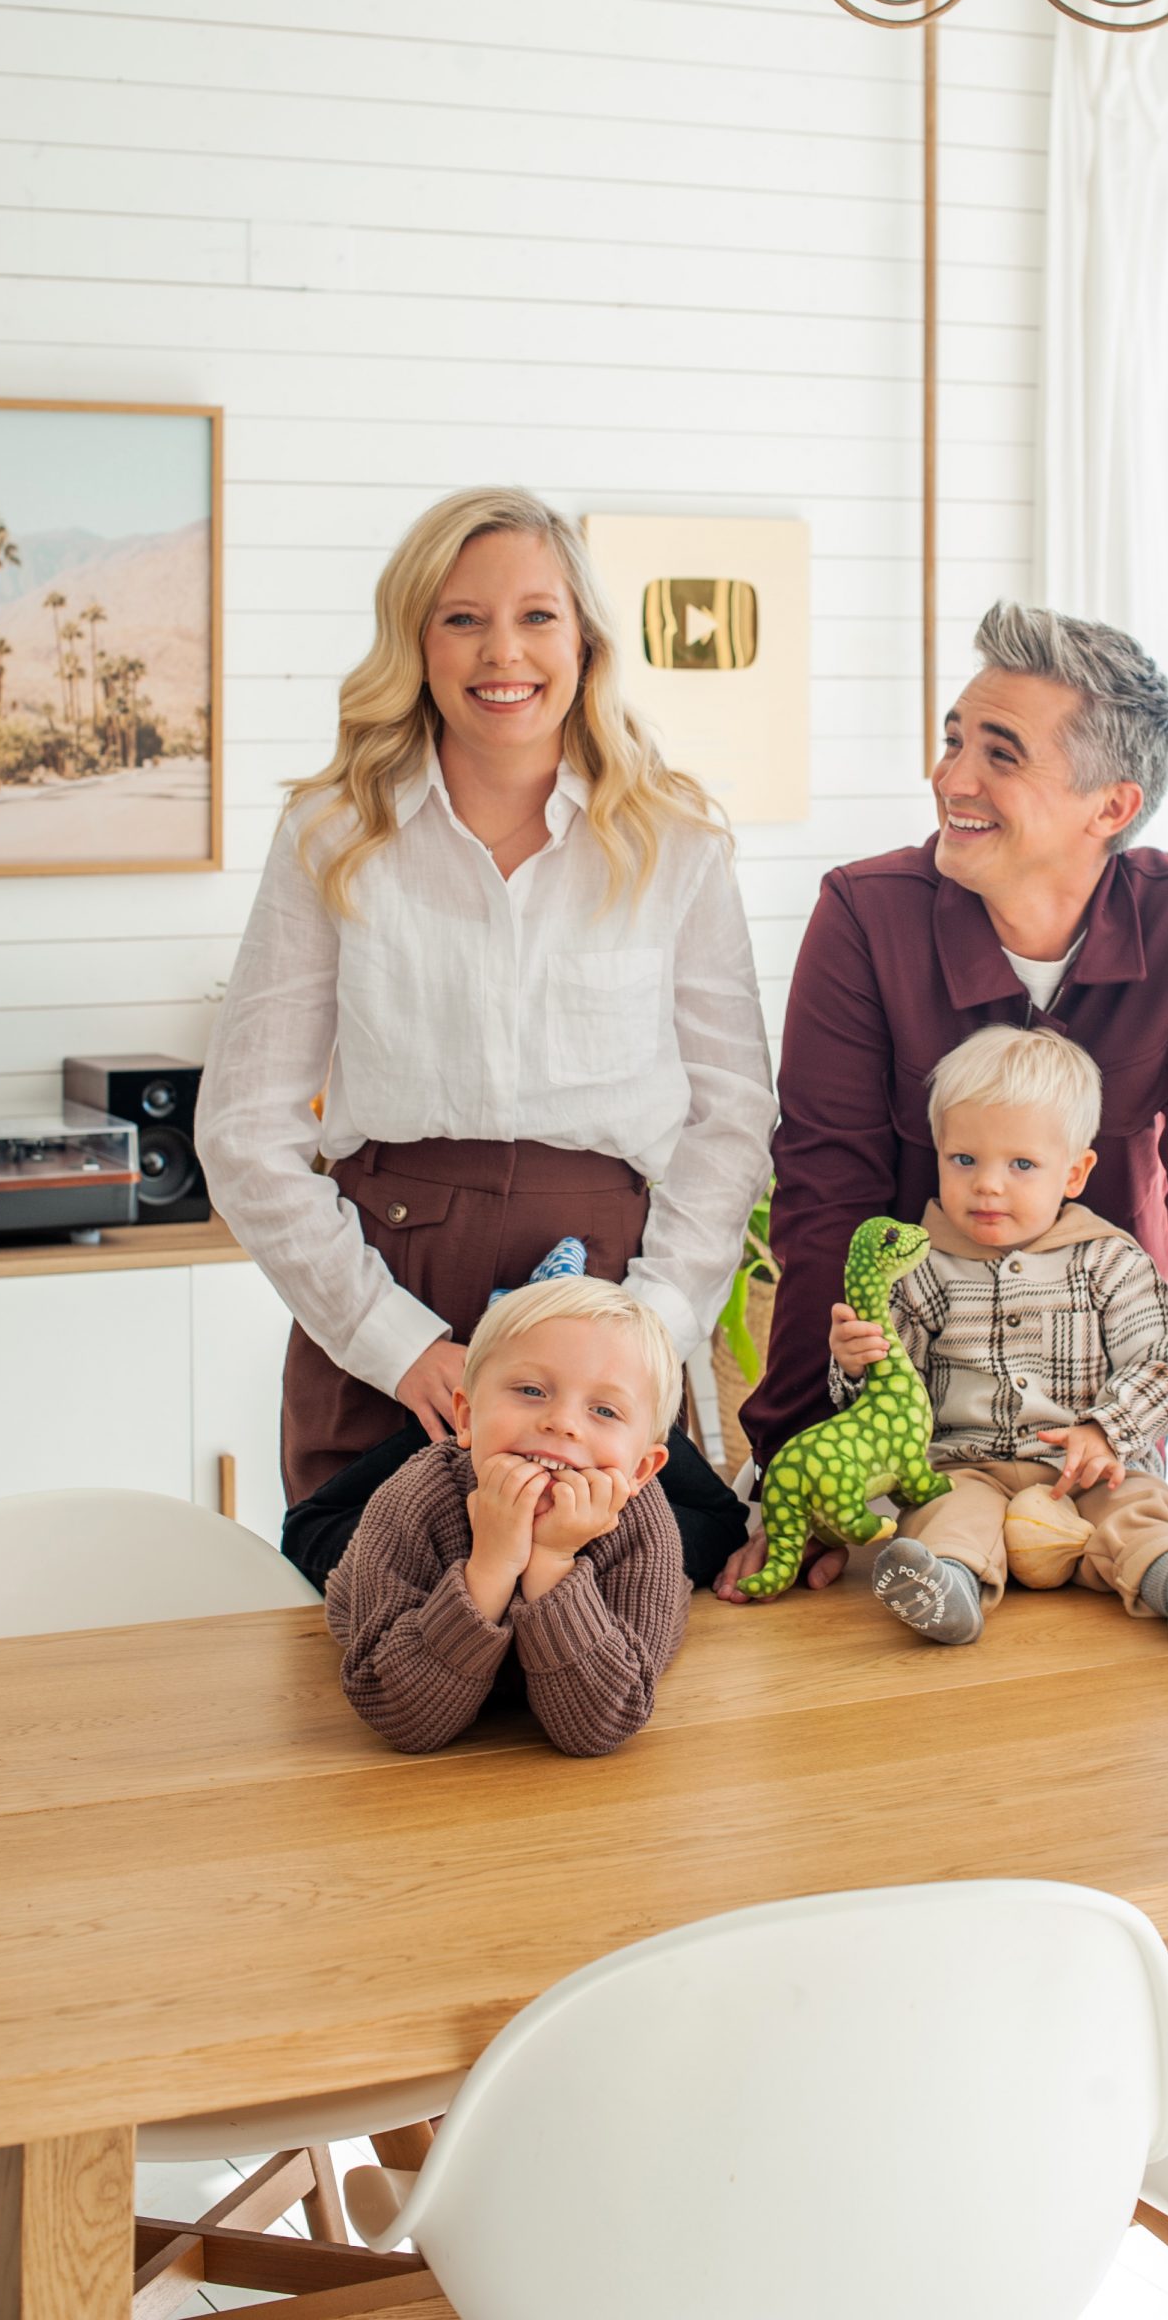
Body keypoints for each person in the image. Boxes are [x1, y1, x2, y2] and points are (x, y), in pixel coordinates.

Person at [721, 601, 1168, 1611]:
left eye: (999, 755)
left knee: (1110, 1639)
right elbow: (828, 1197)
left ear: (1109, 806)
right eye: (954, 738)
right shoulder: (863, 916)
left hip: (1093, 1395)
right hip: (911, 1424)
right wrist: (797, 1475)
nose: (950, 777)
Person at [197, 487, 773, 1593]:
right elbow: (240, 1131)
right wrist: (396, 1342)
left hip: (605, 1305)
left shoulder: (676, 841)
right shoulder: (332, 834)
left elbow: (730, 1114)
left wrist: (645, 1333)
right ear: (414, 638)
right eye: (461, 617)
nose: (500, 651)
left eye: (536, 616)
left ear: (585, 638)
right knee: (388, 1661)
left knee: (606, 1660)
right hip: (390, 1286)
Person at [832, 1024, 1168, 1646]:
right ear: (938, 1153)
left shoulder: (1110, 1261)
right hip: (965, 1465)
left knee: (1135, 1510)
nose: (988, 1184)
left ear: (1075, 1173)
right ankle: (947, 1590)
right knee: (944, 1513)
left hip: (1087, 1470)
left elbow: (1165, 1367)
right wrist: (853, 1364)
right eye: (964, 1160)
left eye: (1022, 1164)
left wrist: (1105, 1431)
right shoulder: (915, 1271)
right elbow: (886, 1402)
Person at [327, 1278, 687, 1756]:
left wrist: (552, 1562)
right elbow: (400, 1716)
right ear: (467, 1417)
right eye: (532, 1390)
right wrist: (492, 1566)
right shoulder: (412, 1500)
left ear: (642, 1468)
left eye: (604, 1410)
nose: (562, 1422)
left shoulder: (644, 1524)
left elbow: (598, 1727)